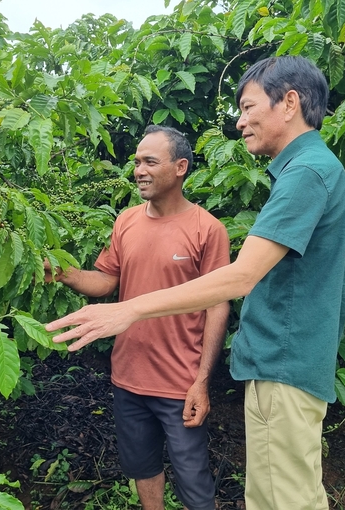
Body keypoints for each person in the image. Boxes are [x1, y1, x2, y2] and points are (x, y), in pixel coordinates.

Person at [46, 56, 345, 510]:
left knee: (282, 500)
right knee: (285, 495)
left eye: (249, 107)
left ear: (289, 103)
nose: (241, 121)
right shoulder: (307, 169)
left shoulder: (306, 173)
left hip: (283, 365)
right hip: (280, 365)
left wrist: (129, 308)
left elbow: (241, 276)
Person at [44, 125, 231, 510]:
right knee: (143, 469)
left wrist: (202, 381)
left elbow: (218, 304)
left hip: (179, 383)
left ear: (180, 167)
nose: (139, 171)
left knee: (194, 482)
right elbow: (107, 282)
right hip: (128, 377)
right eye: (136, 162)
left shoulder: (207, 229)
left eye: (150, 162)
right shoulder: (126, 221)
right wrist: (65, 273)